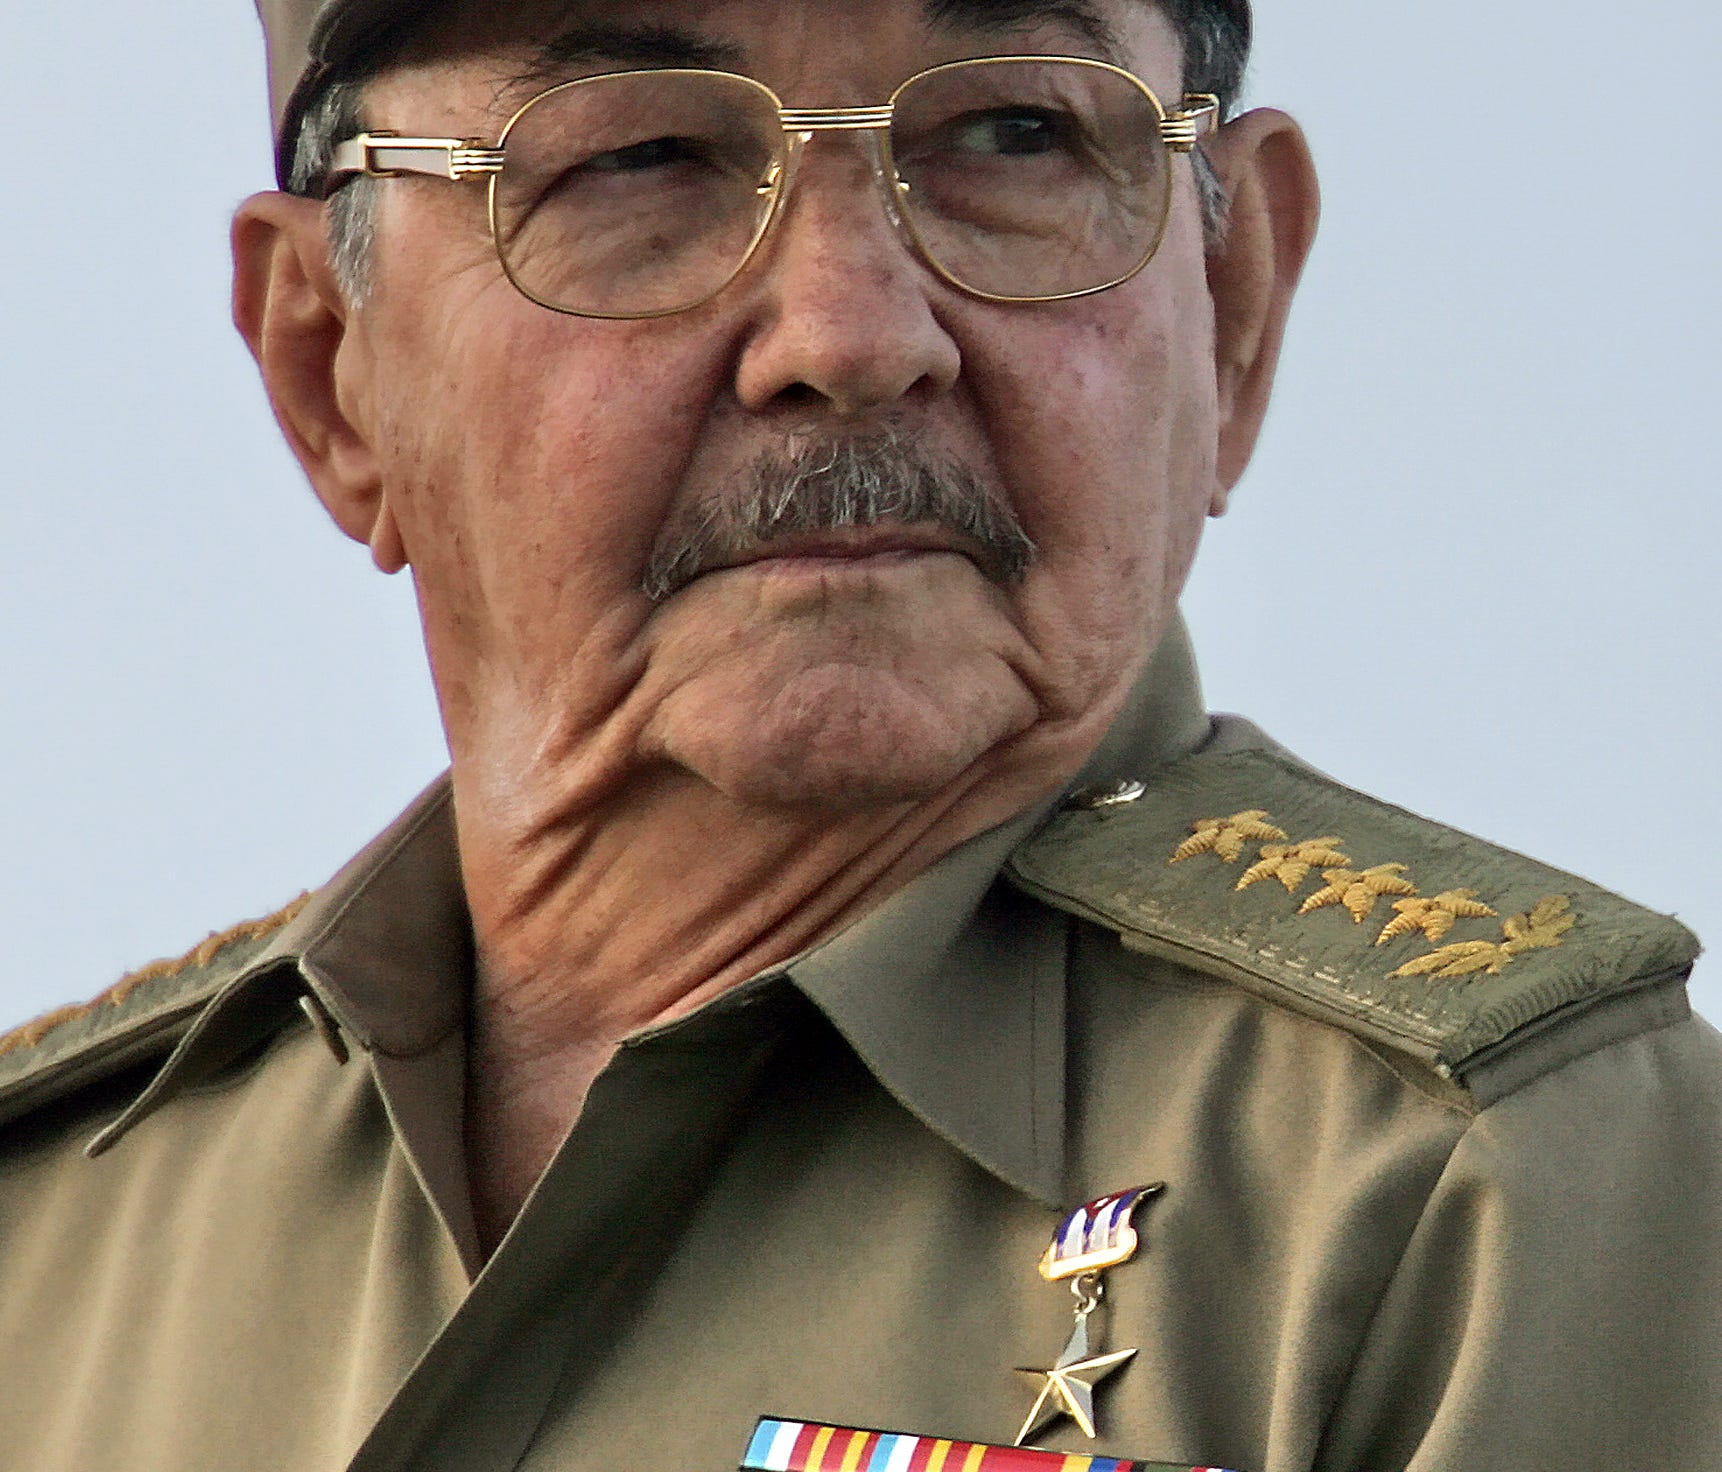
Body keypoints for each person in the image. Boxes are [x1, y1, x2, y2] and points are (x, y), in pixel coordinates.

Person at [0, 0, 1716, 1468]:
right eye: (638, 160)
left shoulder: (1492, 1190)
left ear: (1235, 303)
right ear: (330, 370)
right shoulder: (50, 1237)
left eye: (1017, 136)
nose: (852, 335)